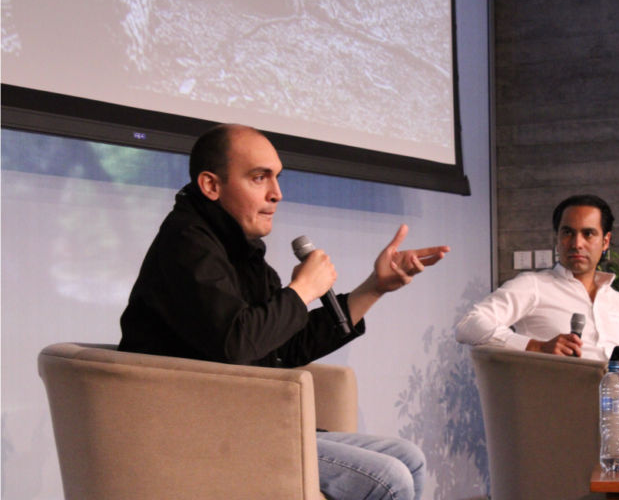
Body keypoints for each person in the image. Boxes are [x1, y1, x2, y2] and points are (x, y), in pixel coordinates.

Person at [119, 123, 451, 499]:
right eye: (259, 177)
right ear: (211, 185)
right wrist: (303, 289)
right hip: (196, 436)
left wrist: (374, 287)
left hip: (247, 425)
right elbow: (236, 343)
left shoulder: (239, 250)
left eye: (277, 177)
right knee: (388, 477)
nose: (277, 193)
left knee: (409, 458)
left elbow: (283, 347)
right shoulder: (186, 245)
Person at [456, 194, 619, 466]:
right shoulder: (533, 286)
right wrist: (535, 346)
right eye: (567, 232)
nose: (576, 243)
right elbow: (468, 325)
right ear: (557, 238)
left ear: (605, 241)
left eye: (588, 234)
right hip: (575, 406)